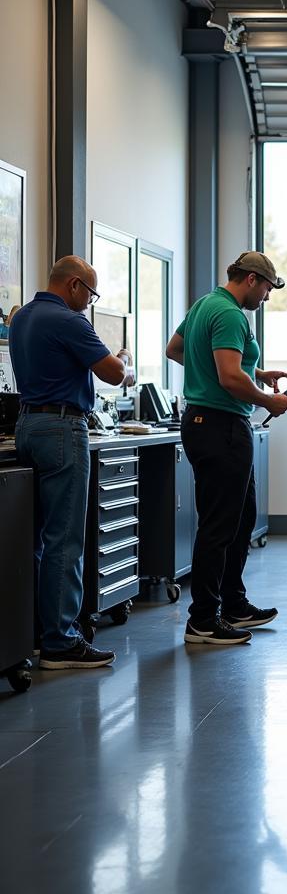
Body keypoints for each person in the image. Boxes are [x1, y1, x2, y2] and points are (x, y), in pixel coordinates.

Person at [9, 256, 135, 669]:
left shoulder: (22, 317)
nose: (89, 302)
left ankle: (36, 633)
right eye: (90, 293)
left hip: (27, 425)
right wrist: (126, 361)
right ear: (75, 285)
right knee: (65, 538)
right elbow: (114, 374)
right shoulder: (68, 320)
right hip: (63, 430)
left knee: (37, 541)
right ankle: (61, 642)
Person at [166, 252, 287, 647]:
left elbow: (176, 349)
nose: (268, 298)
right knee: (220, 525)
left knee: (240, 519)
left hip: (207, 423)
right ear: (253, 279)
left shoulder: (205, 305)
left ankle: (234, 604)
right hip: (221, 426)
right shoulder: (233, 314)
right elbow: (228, 376)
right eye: (269, 289)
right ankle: (203, 619)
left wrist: (255, 373)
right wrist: (267, 400)